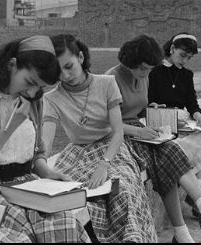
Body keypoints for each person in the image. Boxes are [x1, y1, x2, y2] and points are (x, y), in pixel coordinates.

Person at [0, 35, 91, 243]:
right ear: (12, 65)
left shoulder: (33, 99)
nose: (33, 92)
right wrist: (9, 128)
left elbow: (37, 152)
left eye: (40, 87)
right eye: (30, 82)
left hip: (29, 187)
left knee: (66, 227)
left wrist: (48, 173)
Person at [106, 35, 201, 239]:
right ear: (129, 62)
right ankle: (189, 225)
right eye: (144, 69)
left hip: (142, 129)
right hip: (123, 135)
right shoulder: (110, 80)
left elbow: (138, 109)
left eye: (149, 69)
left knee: (171, 152)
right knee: (166, 160)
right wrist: (140, 130)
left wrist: (151, 109)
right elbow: (107, 125)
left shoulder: (144, 75)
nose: (147, 73)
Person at [42, 34, 157, 243]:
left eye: (69, 66)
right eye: (58, 71)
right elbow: (45, 145)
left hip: (110, 149)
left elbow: (118, 132)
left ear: (80, 57)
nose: (66, 75)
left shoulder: (107, 83)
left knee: (124, 189)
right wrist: (42, 167)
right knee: (75, 198)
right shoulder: (51, 98)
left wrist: (104, 164)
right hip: (76, 153)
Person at [148, 32, 201, 228]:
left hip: (185, 122)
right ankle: (199, 203)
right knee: (187, 148)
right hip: (161, 122)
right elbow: (148, 102)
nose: (185, 61)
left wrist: (197, 115)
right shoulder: (154, 72)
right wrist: (160, 111)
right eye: (182, 56)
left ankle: (196, 199)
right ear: (172, 49)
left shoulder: (187, 75)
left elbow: (191, 102)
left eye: (189, 58)